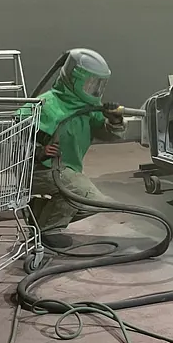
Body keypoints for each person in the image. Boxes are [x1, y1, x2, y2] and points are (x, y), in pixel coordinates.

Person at [29, 48, 126, 248]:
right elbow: (15, 137)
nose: (93, 89)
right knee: (89, 198)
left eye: (98, 84)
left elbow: (106, 134)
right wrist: (39, 152)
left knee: (88, 199)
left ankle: (38, 212)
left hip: (65, 170)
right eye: (89, 83)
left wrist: (115, 121)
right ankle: (48, 228)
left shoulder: (88, 107)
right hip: (38, 171)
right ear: (73, 79)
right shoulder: (46, 104)